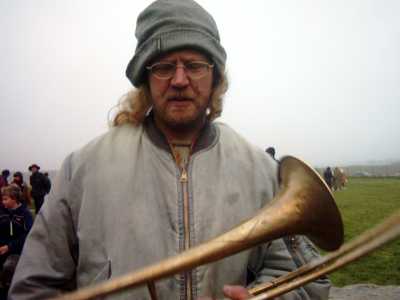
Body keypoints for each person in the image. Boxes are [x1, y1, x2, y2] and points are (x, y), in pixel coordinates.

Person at [10, 1, 331, 299]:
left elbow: (305, 277)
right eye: (164, 66)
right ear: (146, 77)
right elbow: (33, 287)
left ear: (215, 75)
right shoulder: (82, 168)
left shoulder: (261, 170)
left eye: (194, 65)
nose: (179, 79)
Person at [0, 185, 33, 298]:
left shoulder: (25, 214)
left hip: (16, 251)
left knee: (9, 269)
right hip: (2, 248)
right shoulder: (1, 212)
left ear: (14, 198)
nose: (3, 202)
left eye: (5, 199)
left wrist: (9, 247)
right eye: (2, 199)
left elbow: (28, 235)